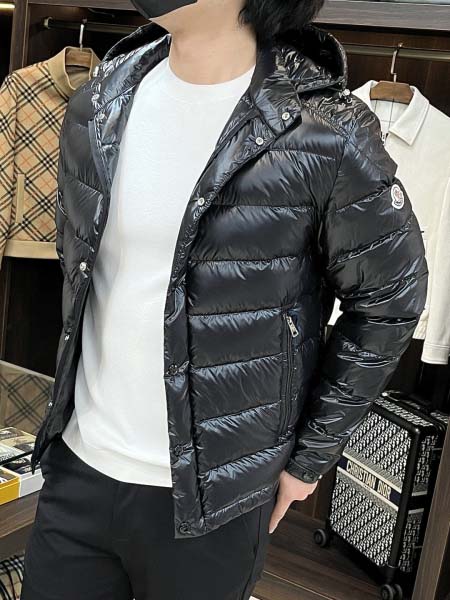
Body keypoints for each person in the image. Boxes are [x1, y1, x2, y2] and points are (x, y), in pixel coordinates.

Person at [21, 1, 428, 599]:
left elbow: (390, 297)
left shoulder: (324, 129)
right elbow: (82, 269)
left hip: (216, 500)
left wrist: (308, 458)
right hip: (79, 467)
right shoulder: (101, 99)